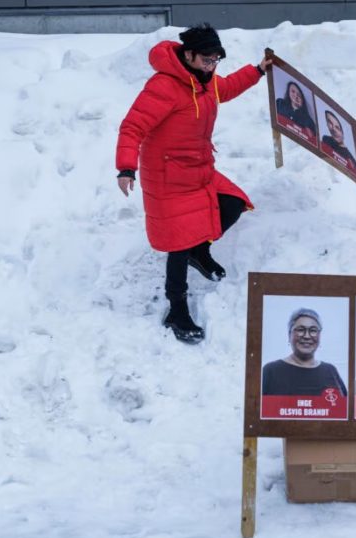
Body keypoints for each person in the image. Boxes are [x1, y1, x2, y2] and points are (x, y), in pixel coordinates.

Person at [116, 23, 271, 344]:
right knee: (178, 241)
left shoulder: (204, 82)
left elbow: (225, 88)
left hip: (198, 168)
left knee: (233, 203)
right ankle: (177, 308)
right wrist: (126, 167)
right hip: (167, 175)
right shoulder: (164, 86)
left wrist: (257, 71)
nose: (212, 67)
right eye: (206, 60)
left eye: (216, 61)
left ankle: (199, 251)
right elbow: (132, 127)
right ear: (188, 55)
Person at [262, 308, 348, 397]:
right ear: (289, 334)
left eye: (313, 330)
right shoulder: (270, 371)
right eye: (300, 330)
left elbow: (345, 408)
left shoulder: (330, 371)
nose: (307, 336)